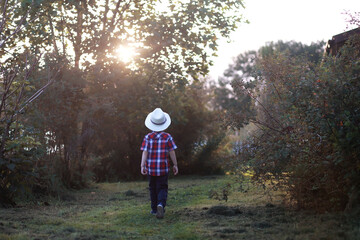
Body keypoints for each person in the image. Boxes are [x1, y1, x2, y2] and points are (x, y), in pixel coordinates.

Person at [140, 108, 178, 219]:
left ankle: (154, 209)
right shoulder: (167, 137)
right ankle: (161, 204)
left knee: (152, 188)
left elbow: (145, 152)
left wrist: (142, 165)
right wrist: (175, 165)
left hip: (151, 169)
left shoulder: (147, 137)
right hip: (163, 168)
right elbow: (172, 152)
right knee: (162, 187)